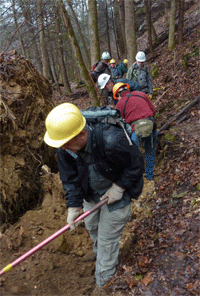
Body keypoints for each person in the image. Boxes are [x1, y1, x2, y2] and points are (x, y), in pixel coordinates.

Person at [44, 103, 144, 295]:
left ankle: (103, 284)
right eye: (62, 144)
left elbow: (136, 165)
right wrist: (73, 206)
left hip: (117, 194)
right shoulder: (64, 145)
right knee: (92, 226)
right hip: (91, 193)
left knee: (107, 241)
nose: (64, 148)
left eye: (67, 144)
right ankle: (99, 255)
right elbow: (70, 179)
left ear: (82, 134)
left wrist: (119, 187)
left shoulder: (111, 140)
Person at [113, 82, 157, 181]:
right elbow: (153, 111)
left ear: (118, 95)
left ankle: (137, 177)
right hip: (150, 125)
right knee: (150, 150)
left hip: (135, 130)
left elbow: (121, 123)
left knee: (135, 155)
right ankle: (149, 175)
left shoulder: (119, 104)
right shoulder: (141, 94)